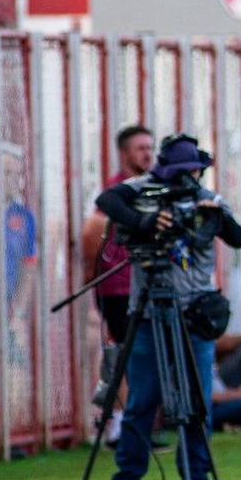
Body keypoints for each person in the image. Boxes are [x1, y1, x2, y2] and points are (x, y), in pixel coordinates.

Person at [95, 133, 241, 480]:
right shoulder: (144, 190)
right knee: (142, 401)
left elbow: (238, 238)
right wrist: (144, 220)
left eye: (190, 172)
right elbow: (107, 200)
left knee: (198, 402)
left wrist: (216, 216)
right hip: (149, 313)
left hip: (195, 313)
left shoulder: (207, 199)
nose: (185, 179)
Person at [81, 126, 155, 440]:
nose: (147, 154)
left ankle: (137, 422)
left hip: (143, 286)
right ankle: (123, 424)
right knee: (127, 353)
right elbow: (92, 229)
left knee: (142, 353)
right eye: (140, 148)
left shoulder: (150, 187)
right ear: (124, 153)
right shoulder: (117, 191)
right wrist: (91, 273)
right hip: (118, 288)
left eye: (150, 148)